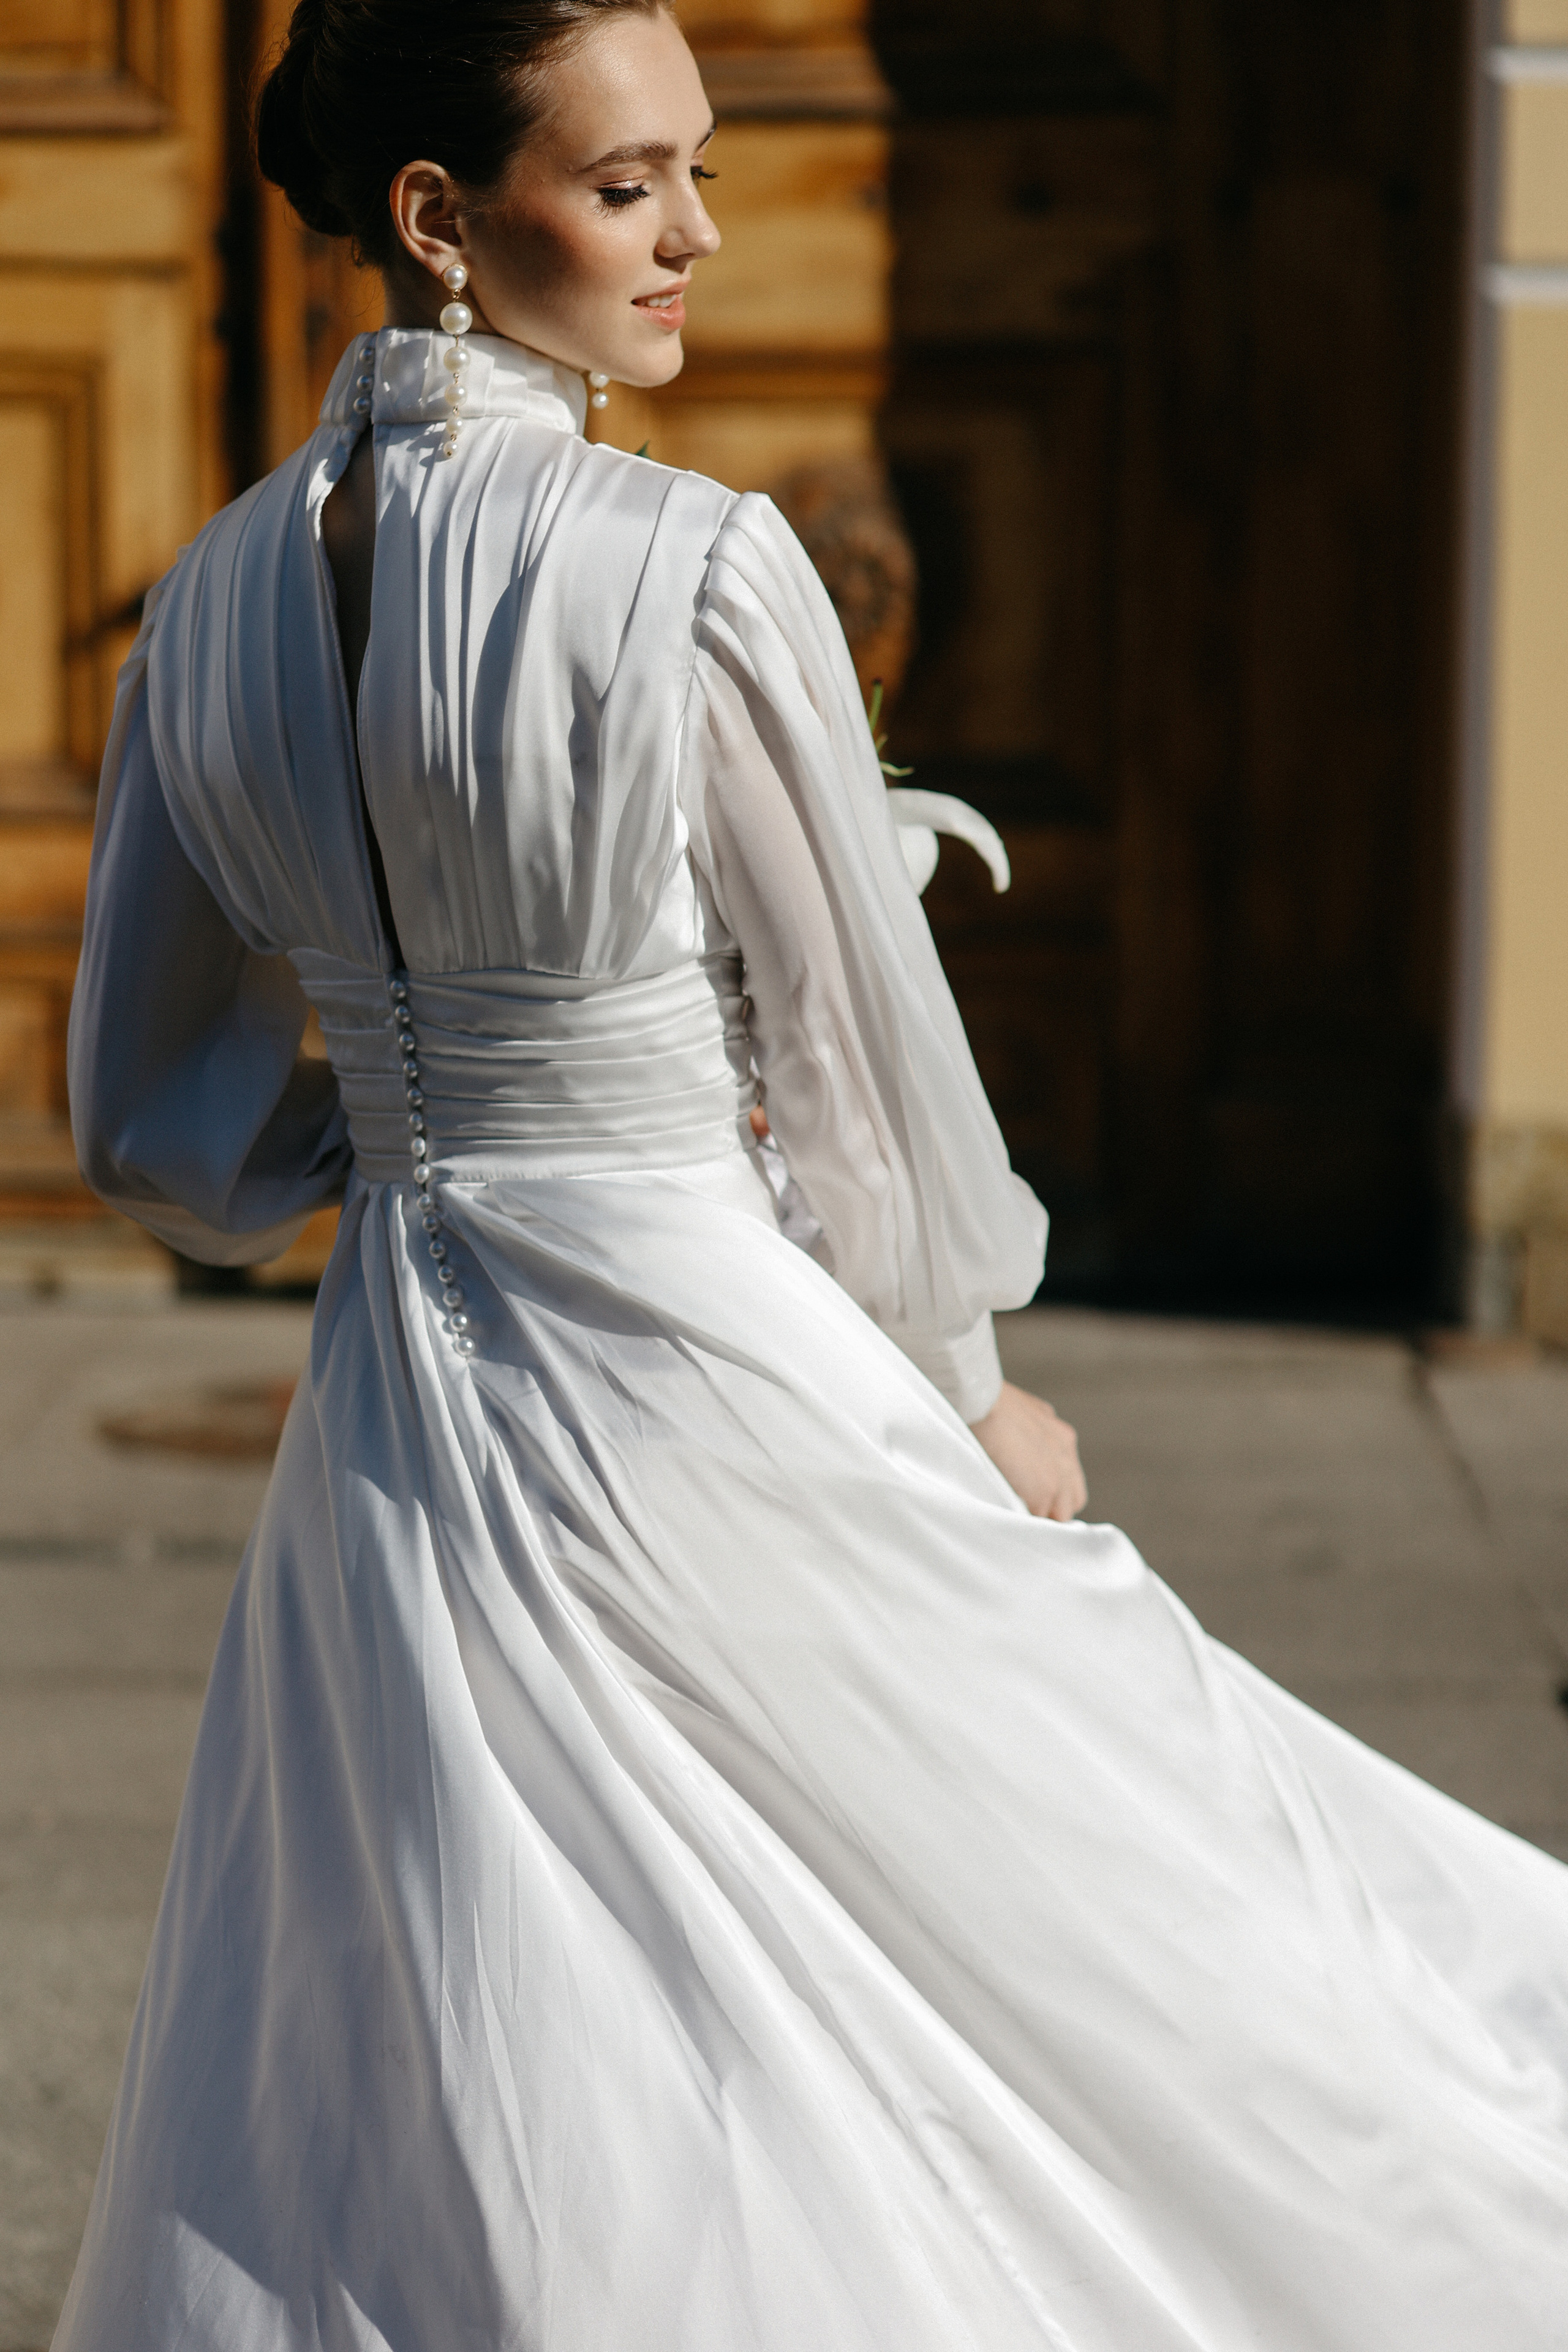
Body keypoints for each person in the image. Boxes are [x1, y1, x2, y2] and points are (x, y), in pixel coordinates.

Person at [56, 1, 1568, 2343]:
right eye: (629, 180)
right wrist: (967, 1385)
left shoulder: (219, 595)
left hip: (403, 1396)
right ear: (442, 222)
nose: (697, 235)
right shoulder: (690, 563)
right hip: (713, 1363)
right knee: (1054, 1942)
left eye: (702, 168)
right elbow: (866, 1046)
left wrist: (404, 1119)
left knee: (483, 1994)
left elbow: (152, 1123)